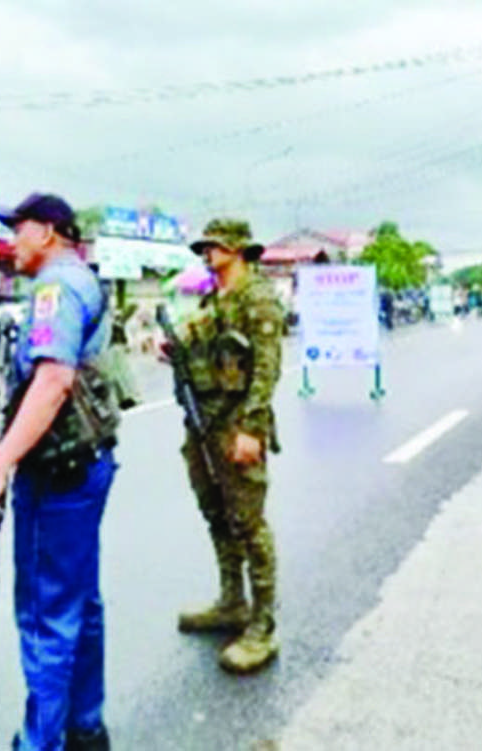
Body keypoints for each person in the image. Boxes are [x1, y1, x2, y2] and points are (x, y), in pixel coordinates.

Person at [0, 193, 118, 751]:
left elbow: (52, 382)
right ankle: (84, 726)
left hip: (57, 472)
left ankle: (41, 743)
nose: (11, 241)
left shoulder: (56, 288)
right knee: (80, 603)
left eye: (18, 229)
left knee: (44, 614)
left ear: (48, 232)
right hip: (88, 463)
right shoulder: (86, 279)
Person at [171, 218, 284, 674]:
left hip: (237, 423)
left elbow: (266, 368)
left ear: (237, 249)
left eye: (214, 245)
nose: (207, 252)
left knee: (249, 522)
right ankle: (232, 601)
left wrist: (251, 429)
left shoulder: (257, 298)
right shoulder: (213, 298)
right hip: (204, 423)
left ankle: (263, 623)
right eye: (205, 246)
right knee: (216, 511)